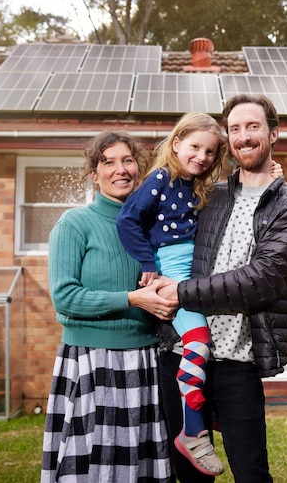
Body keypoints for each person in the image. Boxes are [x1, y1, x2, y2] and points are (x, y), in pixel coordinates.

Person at [158, 94, 287, 482]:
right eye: (234, 129)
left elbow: (261, 281)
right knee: (189, 473)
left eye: (253, 127)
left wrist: (178, 292)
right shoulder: (207, 196)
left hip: (238, 362)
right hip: (182, 353)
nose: (243, 137)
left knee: (251, 473)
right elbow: (158, 212)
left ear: (274, 133)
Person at [41, 130, 179, 483]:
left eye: (128, 160)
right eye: (109, 162)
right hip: (92, 361)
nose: (121, 170)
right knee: (94, 466)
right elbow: (65, 297)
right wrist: (132, 298)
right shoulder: (75, 224)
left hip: (144, 358)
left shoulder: (152, 226)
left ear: (140, 169)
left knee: (138, 465)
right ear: (94, 175)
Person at [116, 113, 227, 476]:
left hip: (190, 275)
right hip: (172, 273)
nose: (202, 156)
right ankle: (193, 430)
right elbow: (128, 219)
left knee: (200, 347)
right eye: (195, 146)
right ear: (176, 142)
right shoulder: (161, 178)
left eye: (210, 152)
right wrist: (148, 264)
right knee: (197, 343)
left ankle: (197, 425)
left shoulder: (193, 186)